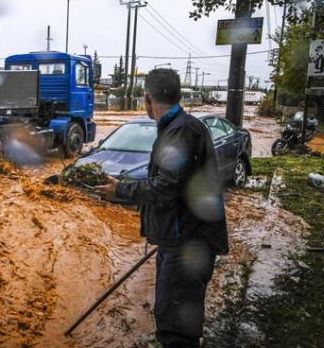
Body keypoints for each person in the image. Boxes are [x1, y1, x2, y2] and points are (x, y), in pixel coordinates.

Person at [95, 69, 228, 348]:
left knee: (175, 326)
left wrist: (120, 190)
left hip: (188, 244)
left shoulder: (179, 131)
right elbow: (171, 185)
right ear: (178, 94)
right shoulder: (181, 126)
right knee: (173, 315)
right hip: (183, 238)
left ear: (147, 98)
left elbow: (165, 188)